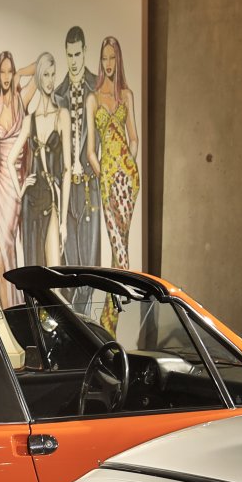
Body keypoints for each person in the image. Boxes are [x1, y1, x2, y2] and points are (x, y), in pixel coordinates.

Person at [89, 34, 139, 333]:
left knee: (120, 251)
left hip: (127, 179)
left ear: (118, 60)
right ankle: (110, 325)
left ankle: (109, 326)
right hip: (108, 179)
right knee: (120, 252)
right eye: (104, 58)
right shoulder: (93, 99)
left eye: (112, 58)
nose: (108, 63)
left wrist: (127, 167)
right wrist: (104, 174)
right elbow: (90, 152)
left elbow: (133, 138)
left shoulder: (127, 95)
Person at [53, 26, 100, 313]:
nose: (73, 61)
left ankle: (87, 321)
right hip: (67, 186)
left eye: (77, 54)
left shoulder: (96, 87)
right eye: (69, 55)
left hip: (90, 186)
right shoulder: (58, 94)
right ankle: (75, 321)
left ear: (85, 51)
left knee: (90, 262)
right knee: (69, 260)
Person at [18, 52, 68, 270]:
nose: (50, 80)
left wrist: (64, 222)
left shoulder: (62, 115)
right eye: (45, 75)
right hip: (30, 201)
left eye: (52, 74)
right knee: (33, 270)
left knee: (55, 272)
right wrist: (21, 188)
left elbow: (67, 170)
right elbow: (9, 159)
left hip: (51, 197)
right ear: (38, 77)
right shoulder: (30, 120)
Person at [0, 51, 28, 305]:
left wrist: (21, 74)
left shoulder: (20, 100)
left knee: (4, 256)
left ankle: (12, 312)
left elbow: (41, 67)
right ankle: (4, 314)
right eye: (2, 71)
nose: (5, 76)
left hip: (12, 187)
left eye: (10, 71)